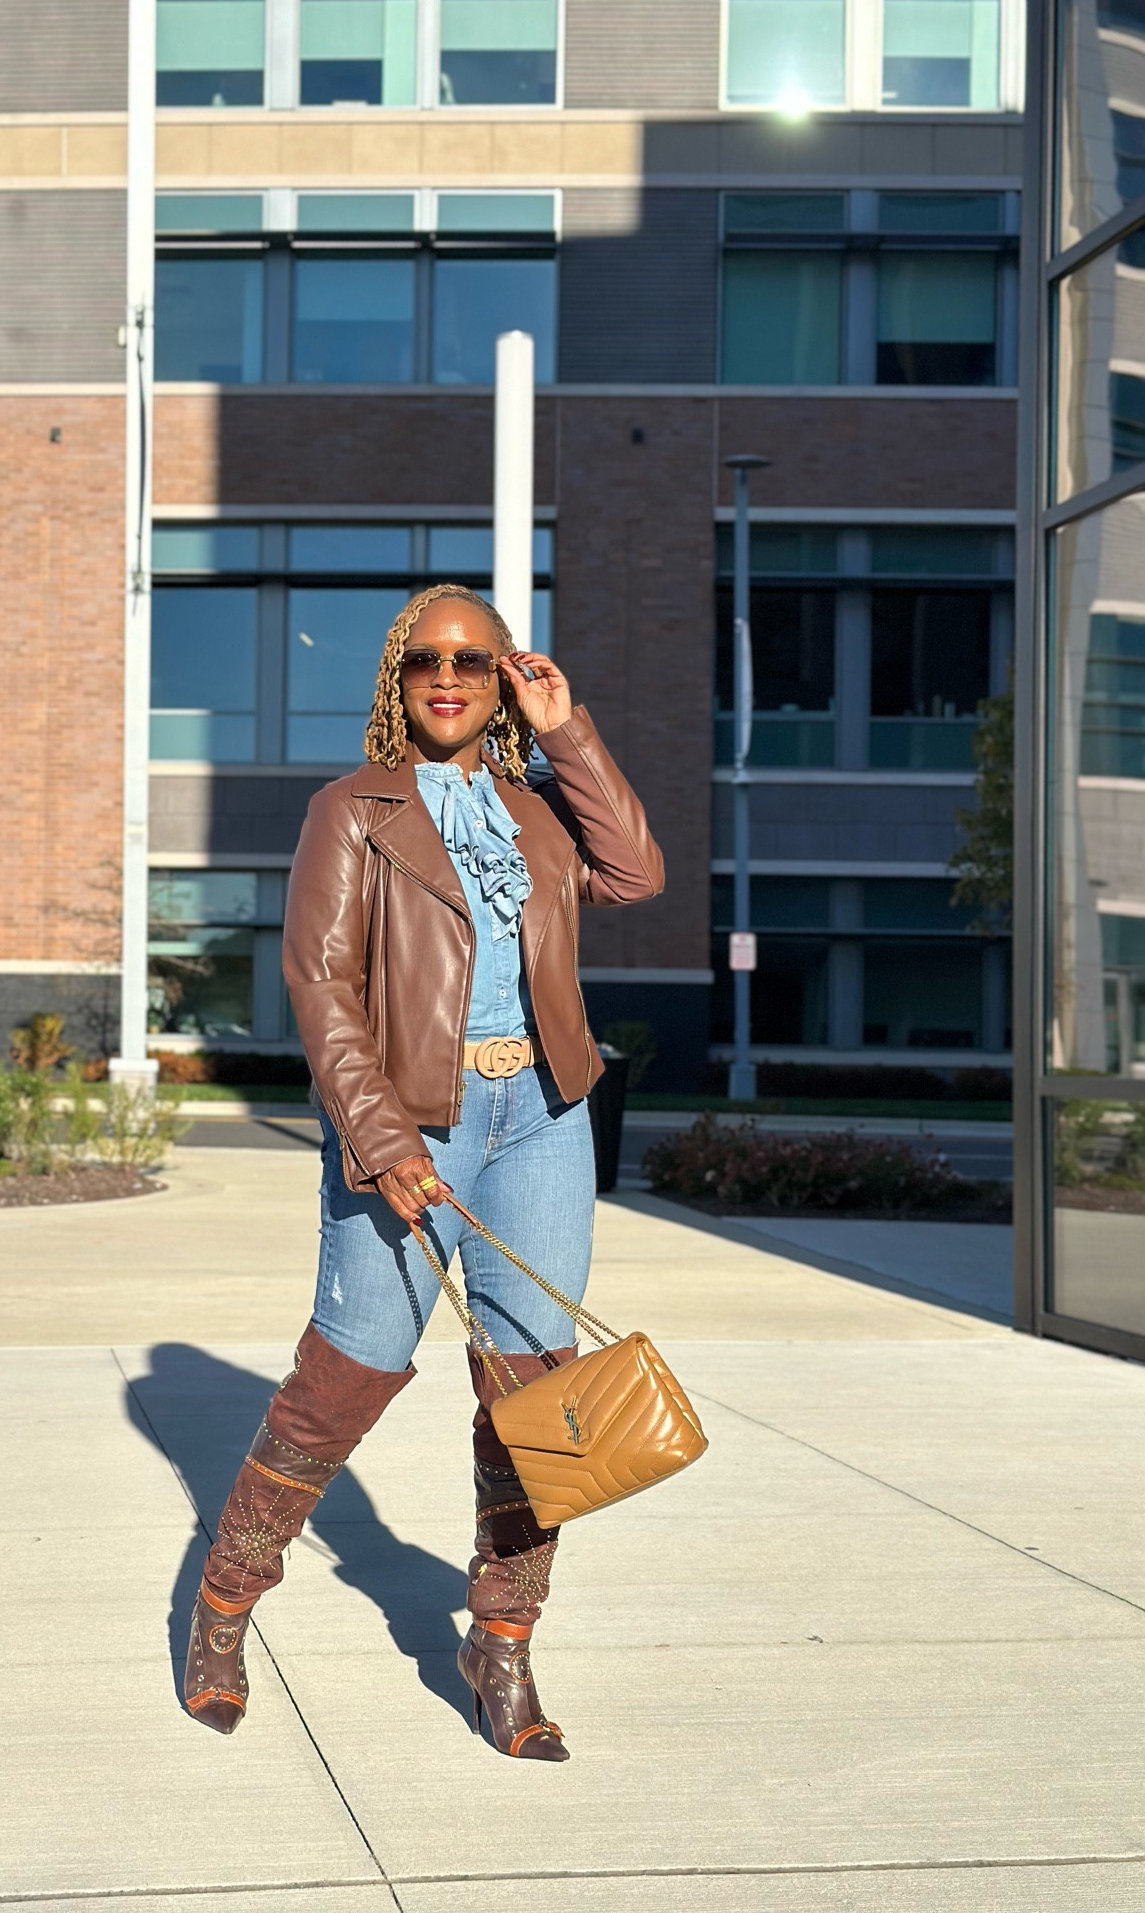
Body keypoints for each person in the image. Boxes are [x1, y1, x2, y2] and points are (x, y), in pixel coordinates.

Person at [183, 584, 663, 1758]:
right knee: (349, 1372)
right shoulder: (351, 809)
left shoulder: (540, 806)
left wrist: (567, 729)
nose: (450, 676)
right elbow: (321, 984)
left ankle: (501, 1639)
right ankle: (227, 1600)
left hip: (544, 1111)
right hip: (413, 1115)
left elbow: (639, 871)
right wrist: (384, 1139)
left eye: (477, 660)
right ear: (399, 679)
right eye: (426, 660)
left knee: (534, 1392)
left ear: (504, 678)